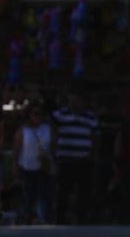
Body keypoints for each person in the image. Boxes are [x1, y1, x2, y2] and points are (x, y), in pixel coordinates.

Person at [51, 91, 100, 224]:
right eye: (73, 99)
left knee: (84, 192)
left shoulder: (91, 118)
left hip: (84, 161)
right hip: (65, 160)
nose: (76, 103)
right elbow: (52, 132)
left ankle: (82, 219)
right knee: (63, 191)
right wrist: (54, 151)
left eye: (79, 100)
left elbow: (95, 138)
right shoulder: (60, 115)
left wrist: (92, 155)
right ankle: (60, 219)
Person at [13, 102, 53, 224]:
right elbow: (17, 150)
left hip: (43, 167)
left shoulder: (48, 129)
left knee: (43, 194)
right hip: (27, 167)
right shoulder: (23, 130)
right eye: (35, 114)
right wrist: (15, 167)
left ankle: (43, 218)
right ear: (29, 115)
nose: (38, 117)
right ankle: (25, 218)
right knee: (27, 195)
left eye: (40, 114)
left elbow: (54, 147)